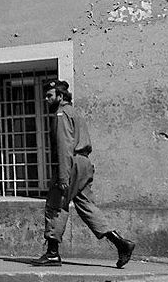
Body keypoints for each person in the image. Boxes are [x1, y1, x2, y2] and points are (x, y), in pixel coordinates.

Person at [32, 80, 135, 268]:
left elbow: (64, 147)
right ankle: (121, 243)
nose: (46, 99)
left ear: (60, 97)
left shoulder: (61, 114)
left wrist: (63, 176)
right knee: (87, 206)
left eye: (50, 96)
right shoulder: (75, 113)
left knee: (56, 204)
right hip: (84, 162)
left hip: (71, 163)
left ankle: (53, 254)